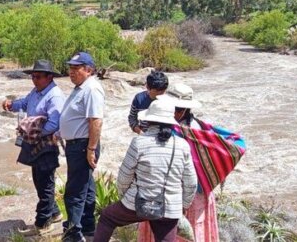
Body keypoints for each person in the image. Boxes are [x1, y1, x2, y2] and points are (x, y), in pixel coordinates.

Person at [94, 100, 197, 242]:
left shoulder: (139, 142)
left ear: (148, 121)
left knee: (107, 217)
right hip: (169, 207)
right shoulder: (183, 145)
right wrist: (183, 206)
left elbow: (124, 176)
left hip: (137, 202)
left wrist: (125, 197)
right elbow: (191, 183)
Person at [137, 83, 219, 242]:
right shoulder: (173, 126)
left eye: (177, 109)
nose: (174, 112)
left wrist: (183, 204)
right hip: (176, 191)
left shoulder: (193, 131)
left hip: (186, 194)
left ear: (184, 110)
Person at [2, 59, 65, 236]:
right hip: (36, 142)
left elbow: (54, 123)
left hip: (46, 144)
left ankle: (43, 224)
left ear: (49, 77)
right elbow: (24, 103)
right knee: (39, 180)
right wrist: (11, 105)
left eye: (38, 77)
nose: (34, 79)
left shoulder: (55, 96)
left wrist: (33, 132)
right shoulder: (37, 91)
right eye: (33, 76)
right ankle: (54, 213)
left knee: (45, 183)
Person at [59, 52, 105, 242]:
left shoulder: (92, 89)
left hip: (83, 146)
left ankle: (74, 233)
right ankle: (87, 226)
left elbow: (96, 121)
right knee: (86, 187)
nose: (71, 72)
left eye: (75, 68)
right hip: (78, 145)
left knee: (75, 191)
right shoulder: (82, 87)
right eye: (70, 68)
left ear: (88, 69)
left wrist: (91, 149)